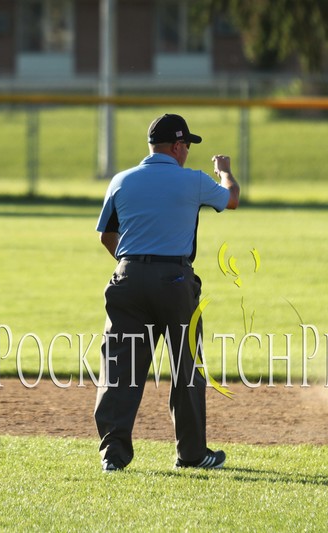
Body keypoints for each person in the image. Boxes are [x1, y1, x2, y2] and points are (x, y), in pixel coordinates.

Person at [94, 113, 240, 472]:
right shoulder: (194, 180)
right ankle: (191, 454)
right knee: (186, 368)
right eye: (186, 144)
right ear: (176, 146)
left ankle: (113, 456)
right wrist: (224, 171)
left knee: (119, 368)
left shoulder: (121, 180)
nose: (187, 151)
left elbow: (106, 235)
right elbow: (232, 199)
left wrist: (132, 266)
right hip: (175, 281)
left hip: (127, 278)